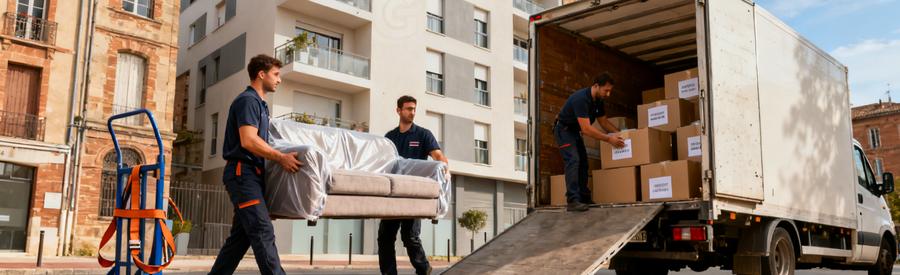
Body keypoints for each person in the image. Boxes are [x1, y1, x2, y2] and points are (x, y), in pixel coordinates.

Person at [209, 54, 303, 275]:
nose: (279, 80)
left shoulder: (261, 105)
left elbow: (261, 143)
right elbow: (249, 140)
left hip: (253, 175)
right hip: (243, 173)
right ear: (261, 74)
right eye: (276, 74)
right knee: (262, 230)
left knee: (239, 240)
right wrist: (281, 157)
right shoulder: (248, 101)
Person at [379, 95, 449, 275]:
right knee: (385, 238)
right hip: (392, 195)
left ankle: (424, 269)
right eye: (408, 109)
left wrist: (445, 169)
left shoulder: (423, 134)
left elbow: (438, 156)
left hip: (413, 194)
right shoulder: (389, 138)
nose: (412, 112)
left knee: (410, 238)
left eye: (414, 109)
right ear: (398, 111)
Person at [554, 72, 625, 212]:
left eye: (610, 91)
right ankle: (573, 200)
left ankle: (584, 197)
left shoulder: (598, 101)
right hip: (564, 130)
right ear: (596, 86)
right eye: (606, 90)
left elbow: (603, 122)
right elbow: (586, 129)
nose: (608, 94)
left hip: (574, 132)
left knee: (584, 163)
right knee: (573, 160)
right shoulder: (581, 99)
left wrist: (622, 134)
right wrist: (609, 139)